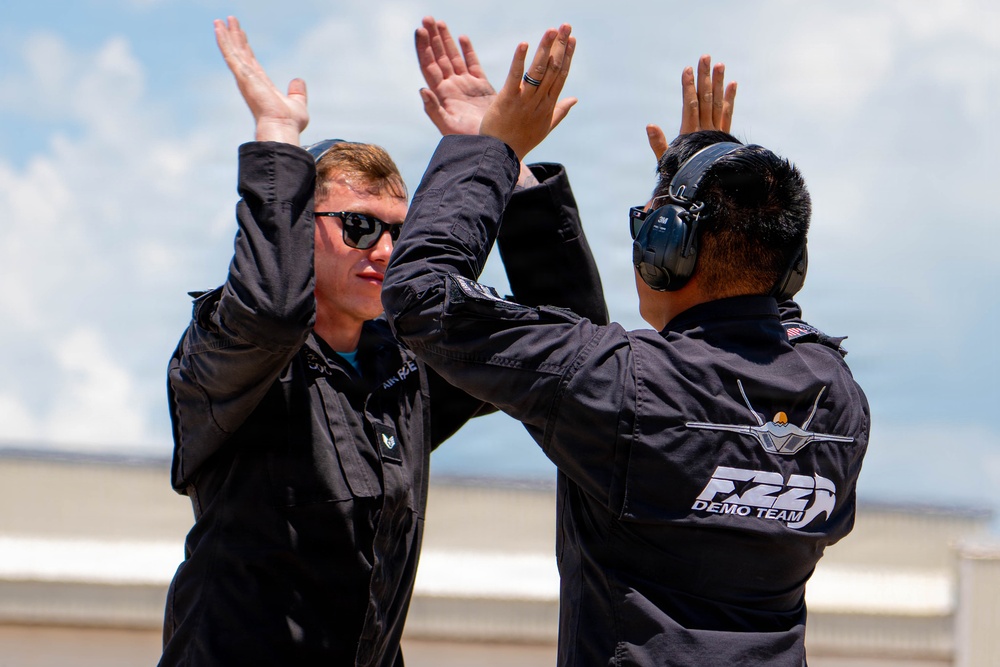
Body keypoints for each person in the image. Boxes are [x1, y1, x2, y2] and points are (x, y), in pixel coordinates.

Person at [382, 23, 871, 667]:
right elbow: (758, 332)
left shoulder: (624, 386)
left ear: (667, 251)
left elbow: (420, 296)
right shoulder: (839, 400)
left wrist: (490, 150)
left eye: (649, 227)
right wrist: (707, 171)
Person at [158, 16, 607, 667]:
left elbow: (568, 344)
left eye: (400, 230)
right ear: (300, 229)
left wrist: (496, 159)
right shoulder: (227, 357)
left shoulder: (405, 367)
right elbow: (270, 311)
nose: (387, 251)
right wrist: (279, 140)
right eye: (360, 226)